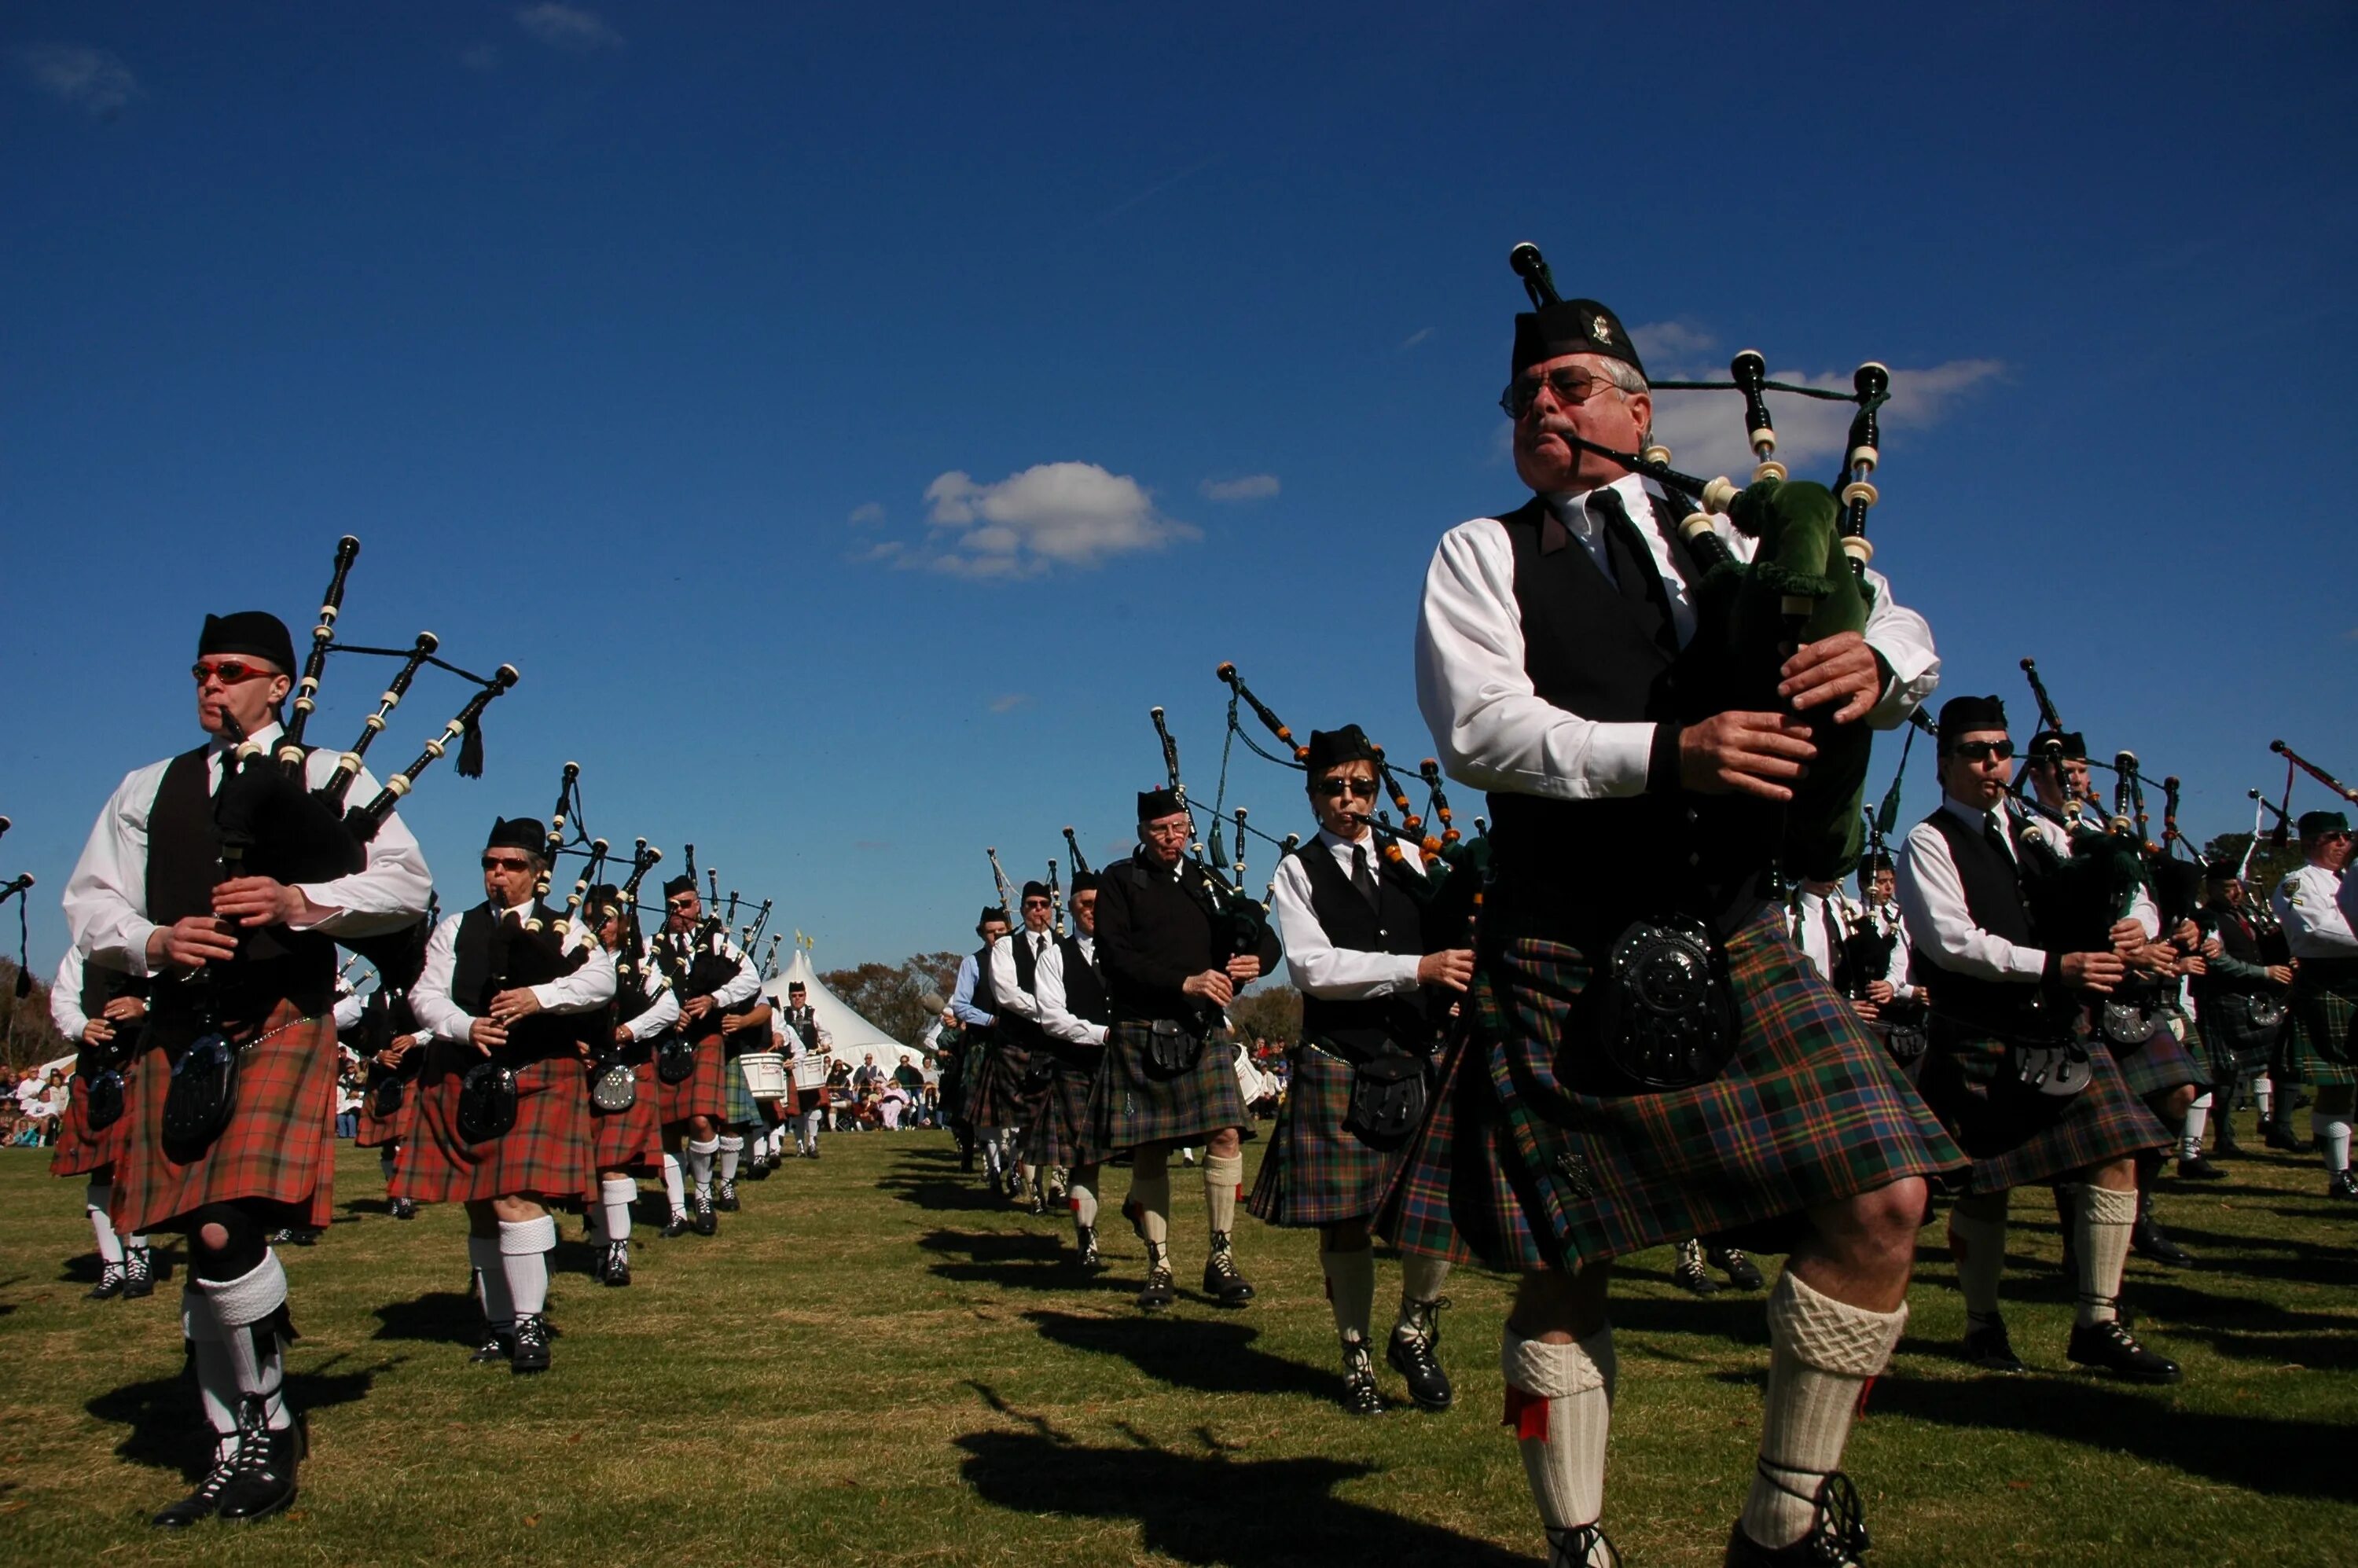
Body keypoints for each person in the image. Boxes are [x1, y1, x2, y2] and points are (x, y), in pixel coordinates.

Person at [1402, 281, 1962, 1566]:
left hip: (1732, 922)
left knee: (1887, 1201)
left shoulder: (1726, 525)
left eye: (1570, 386)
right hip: (1562, 935)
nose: (1541, 407)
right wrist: (1674, 753)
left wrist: (1882, 666)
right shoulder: (1482, 553)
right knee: (1568, 1260)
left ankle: (1782, 1519)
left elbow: (1890, 609)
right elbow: (1480, 730)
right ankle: (1578, 1543)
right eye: (1524, 394)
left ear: (1641, 411)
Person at [64, 608, 432, 1526]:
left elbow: (405, 887)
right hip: (179, 1028)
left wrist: (300, 897)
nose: (210, 686)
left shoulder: (324, 778)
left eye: (231, 671)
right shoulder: (147, 788)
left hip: (275, 1018)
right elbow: (89, 901)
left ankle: (265, 1428)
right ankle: (230, 1441)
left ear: (281, 685)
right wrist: (152, 939)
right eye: (200, 671)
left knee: (226, 1232)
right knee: (199, 1242)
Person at [1896, 694, 2179, 1386]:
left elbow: (2122, 875)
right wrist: (2056, 965)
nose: (1992, 761)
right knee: (1986, 1188)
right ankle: (1983, 1322)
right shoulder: (1930, 840)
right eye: (1974, 749)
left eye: (2000, 748)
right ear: (1945, 763)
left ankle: (2098, 1321)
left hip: (2055, 1028)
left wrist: (2135, 923)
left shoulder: (2036, 830)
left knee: (2119, 1152)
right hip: (1981, 1031)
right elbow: (1953, 942)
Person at [1255, 725, 1473, 1415]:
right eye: (1334, 788)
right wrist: (1417, 969)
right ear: (1313, 794)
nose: (1349, 800)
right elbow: (1313, 968)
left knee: (1436, 1212)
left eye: (1361, 787)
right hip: (1340, 1061)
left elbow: (1453, 928)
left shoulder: (1412, 853)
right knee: (1345, 1221)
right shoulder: (1296, 870)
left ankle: (1413, 1328)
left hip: (1418, 1057)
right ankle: (1356, 1355)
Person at [398, 818, 615, 1372]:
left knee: (516, 1197)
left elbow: (600, 982)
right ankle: (496, 1324)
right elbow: (425, 993)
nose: (498, 873)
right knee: (479, 1205)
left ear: (539, 872)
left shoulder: (563, 929)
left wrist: (538, 997)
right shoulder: (456, 927)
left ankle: (527, 1323)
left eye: (511, 864)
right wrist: (463, 1026)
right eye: (490, 863)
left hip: (539, 1069)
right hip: (464, 1068)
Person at [1089, 788, 1283, 1313]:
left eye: (1178, 827)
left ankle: (1220, 1256)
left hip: (1201, 1031)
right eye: (1159, 829)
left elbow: (1260, 934)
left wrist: (1255, 961)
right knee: (1151, 1144)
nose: (1171, 838)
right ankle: (1160, 1263)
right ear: (1141, 833)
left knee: (1225, 1133)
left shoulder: (1206, 883)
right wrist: (1186, 981)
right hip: (1142, 1025)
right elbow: (1114, 955)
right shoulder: (1119, 882)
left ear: (1190, 828)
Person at [2022, 731, 2208, 1266]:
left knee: (2178, 1091)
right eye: (2062, 769)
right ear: (2036, 775)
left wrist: (2139, 929)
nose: (2074, 778)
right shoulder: (2020, 825)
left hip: (2124, 985)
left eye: (2080, 769)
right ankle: (2078, 1241)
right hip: (2068, 983)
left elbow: (2142, 894)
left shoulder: (2110, 827)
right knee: (2082, 1120)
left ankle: (2137, 1214)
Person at [649, 876, 758, 1233]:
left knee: (701, 1120)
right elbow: (640, 986)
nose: (677, 912)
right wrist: (665, 1012)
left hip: (706, 1038)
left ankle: (704, 1194)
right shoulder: (653, 945)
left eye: (684, 904)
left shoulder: (719, 943)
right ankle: (677, 1209)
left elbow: (751, 980)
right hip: (665, 1042)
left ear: (697, 905)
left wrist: (716, 999)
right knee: (668, 1128)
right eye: (671, 906)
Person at [48, 945, 156, 1300]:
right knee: (99, 1168)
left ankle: (140, 1256)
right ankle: (113, 1264)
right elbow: (63, 1002)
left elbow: (185, 995)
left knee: (137, 1166)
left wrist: (146, 1008)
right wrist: (82, 1026)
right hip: (95, 1070)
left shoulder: (153, 944)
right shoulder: (80, 953)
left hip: (143, 1063)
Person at [585, 883, 678, 1285]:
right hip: (582, 1071)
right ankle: (600, 1244)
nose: (599, 926)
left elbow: (669, 1007)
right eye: (593, 918)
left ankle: (618, 1249)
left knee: (612, 1164)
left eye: (606, 919)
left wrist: (628, 1030)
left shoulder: (642, 965)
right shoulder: (574, 962)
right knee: (590, 1167)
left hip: (627, 1068)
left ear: (623, 923)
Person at [1029, 872, 1112, 1268]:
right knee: (1085, 1159)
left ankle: (1137, 1209)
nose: (1093, 911)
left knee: (1148, 1153)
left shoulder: (1127, 950)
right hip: (1077, 1066)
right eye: (1085, 904)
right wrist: (1103, 1034)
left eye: (1099, 903)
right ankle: (1086, 1235)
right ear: (1072, 908)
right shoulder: (1054, 956)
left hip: (1125, 1066)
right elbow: (1052, 1018)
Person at [2277, 810, 2358, 1198]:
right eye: (2334, 837)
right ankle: (2339, 1174)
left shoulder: (2353, 877)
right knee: (2338, 1084)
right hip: (2330, 984)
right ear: (2311, 842)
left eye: (2346, 835)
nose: (2344, 842)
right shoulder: (2297, 882)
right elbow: (2320, 929)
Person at [2189, 862, 2290, 1163]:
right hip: (2221, 999)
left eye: (2238, 886)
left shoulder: (2245, 914)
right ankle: (2222, 1137)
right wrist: (2264, 972)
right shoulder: (2208, 919)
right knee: (2224, 1070)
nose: (2237, 893)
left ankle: (2269, 1124)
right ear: (2212, 889)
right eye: (2229, 887)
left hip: (2249, 999)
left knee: (2256, 1064)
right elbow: (2218, 962)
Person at [987, 882, 1063, 1210]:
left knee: (1062, 1118)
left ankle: (1059, 1185)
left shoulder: (1064, 946)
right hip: (1020, 1041)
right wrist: (1050, 1010)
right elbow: (1006, 993)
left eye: (1043, 904)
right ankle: (1034, 1193)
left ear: (1051, 908)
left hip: (1060, 1043)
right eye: (1031, 904)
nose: (1038, 910)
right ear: (1022, 911)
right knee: (1028, 1119)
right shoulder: (1006, 947)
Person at [950, 906, 1022, 1193]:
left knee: (1018, 1112)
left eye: (1001, 931)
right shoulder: (972, 963)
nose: (995, 937)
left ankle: (1015, 1170)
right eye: (990, 932)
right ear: (982, 933)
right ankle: (993, 1169)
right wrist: (990, 1019)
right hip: (984, 1045)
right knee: (988, 1115)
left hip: (1016, 1042)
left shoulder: (1021, 960)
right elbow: (960, 1005)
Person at [780, 979, 833, 1158]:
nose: (797, 999)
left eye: (800, 995)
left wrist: (826, 1045)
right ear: (789, 997)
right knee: (796, 1108)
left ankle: (812, 1142)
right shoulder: (783, 1015)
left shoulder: (814, 1014)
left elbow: (826, 1035)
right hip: (792, 1065)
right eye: (794, 996)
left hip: (811, 1066)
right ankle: (800, 1145)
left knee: (813, 1105)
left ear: (805, 995)